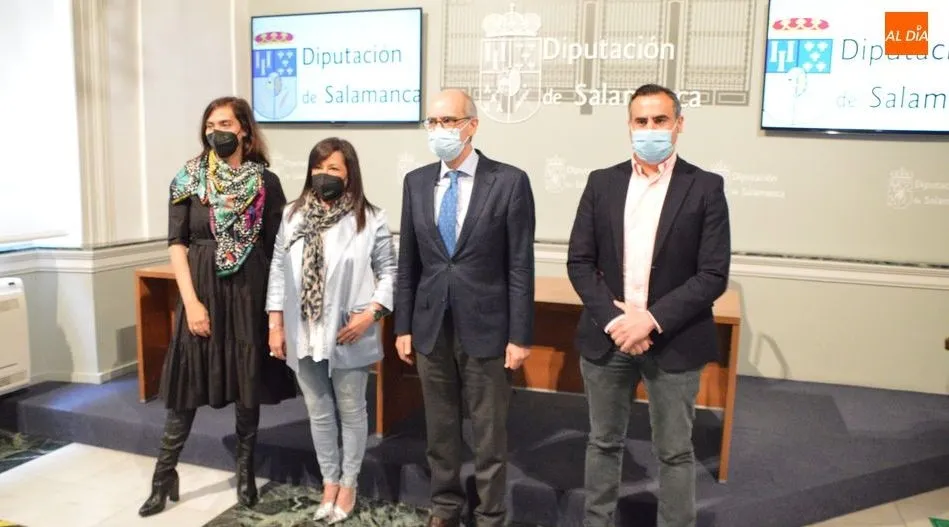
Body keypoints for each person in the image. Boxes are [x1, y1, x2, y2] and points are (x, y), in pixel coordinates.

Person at [566, 83, 731, 527]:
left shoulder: (706, 187)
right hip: (609, 338)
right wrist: (619, 321)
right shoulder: (601, 183)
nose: (650, 129)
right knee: (603, 442)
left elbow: (713, 274)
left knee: (675, 452)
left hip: (674, 339)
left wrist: (651, 321)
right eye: (642, 121)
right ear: (629, 126)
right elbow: (579, 262)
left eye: (660, 120)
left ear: (679, 125)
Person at [139, 96, 297, 517]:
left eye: (225, 123)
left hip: (248, 293)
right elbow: (176, 244)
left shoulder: (266, 182)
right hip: (201, 292)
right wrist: (190, 303)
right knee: (185, 389)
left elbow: (276, 251)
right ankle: (163, 475)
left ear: (244, 128)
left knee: (248, 388)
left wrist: (274, 313)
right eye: (210, 125)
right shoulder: (188, 178)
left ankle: (245, 472)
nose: (216, 132)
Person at [394, 89, 536, 527]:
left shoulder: (509, 181)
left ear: (471, 125)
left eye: (448, 121)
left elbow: (519, 266)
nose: (439, 130)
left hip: (488, 328)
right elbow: (408, 264)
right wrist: (402, 326)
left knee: (489, 435)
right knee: (440, 431)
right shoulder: (416, 182)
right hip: (430, 326)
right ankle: (446, 507)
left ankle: (491, 515)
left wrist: (520, 335)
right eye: (432, 122)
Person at [265, 137, 397, 523]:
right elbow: (277, 269)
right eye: (318, 168)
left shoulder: (370, 218)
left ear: (350, 174)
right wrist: (275, 323)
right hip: (303, 330)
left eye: (334, 169)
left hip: (347, 330)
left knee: (352, 411)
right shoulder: (293, 216)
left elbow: (389, 271)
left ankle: (349, 484)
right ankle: (328, 482)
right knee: (318, 411)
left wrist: (371, 314)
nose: (324, 175)